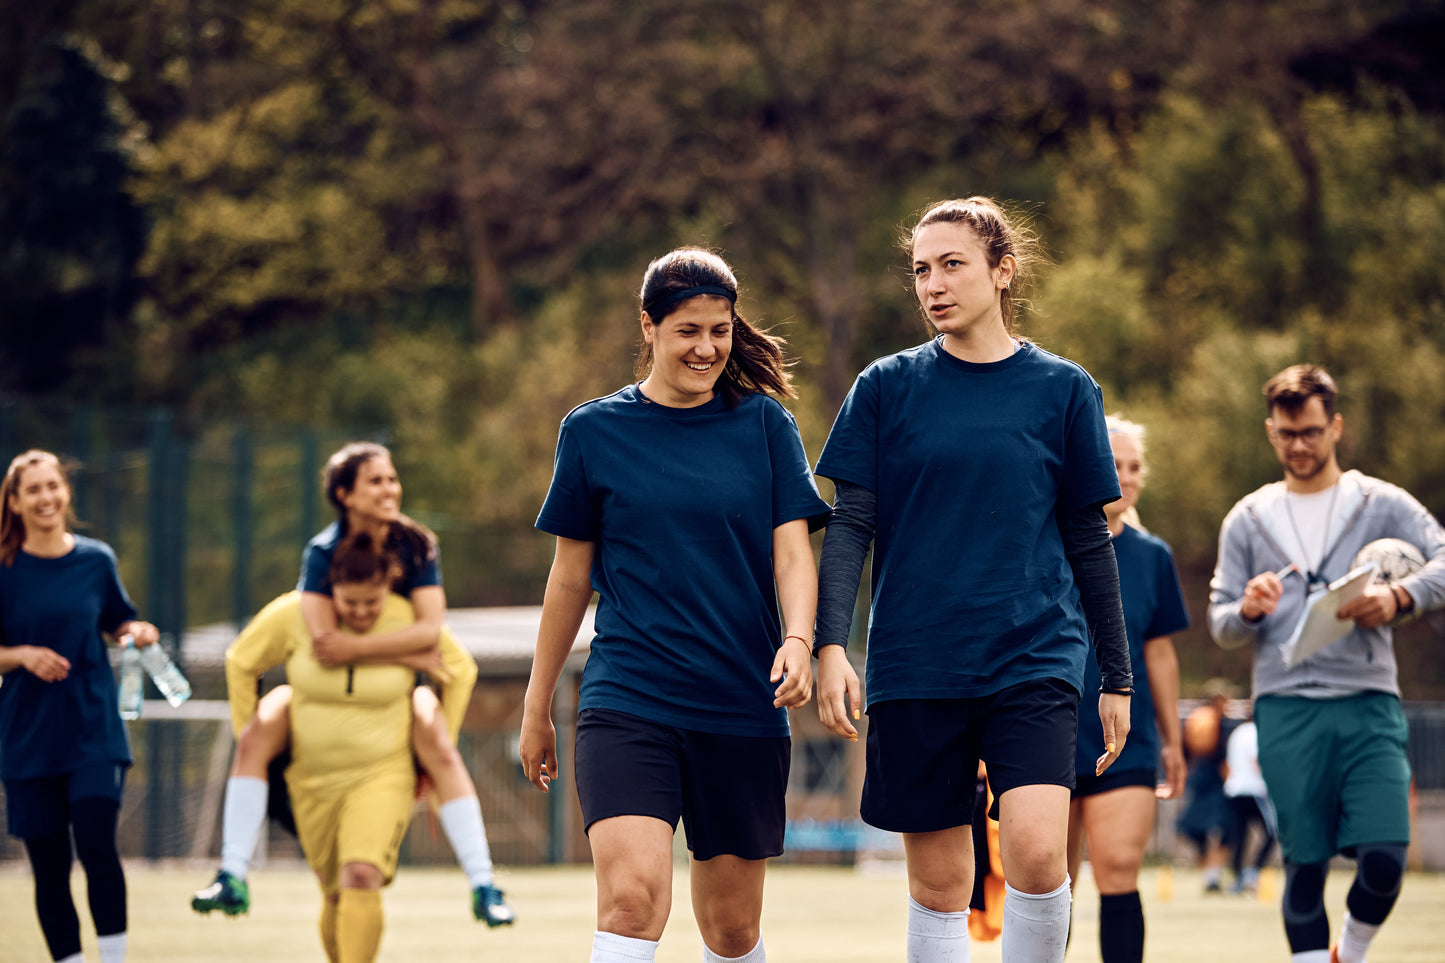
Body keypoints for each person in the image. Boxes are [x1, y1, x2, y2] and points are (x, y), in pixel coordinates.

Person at [813, 196, 1133, 963]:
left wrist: (1115, 674)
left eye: (952, 264)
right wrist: (829, 645)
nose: (933, 283)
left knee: (1037, 856)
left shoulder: (1063, 389)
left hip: (1033, 655)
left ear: (1002, 270)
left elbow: (1088, 538)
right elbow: (850, 524)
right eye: (920, 269)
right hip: (916, 661)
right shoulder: (884, 387)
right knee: (939, 884)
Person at [519, 247, 830, 963]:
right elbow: (568, 579)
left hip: (742, 701)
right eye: (688, 330)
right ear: (648, 326)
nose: (707, 348)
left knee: (732, 929)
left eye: (720, 330)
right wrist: (537, 706)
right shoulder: (592, 431)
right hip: (630, 697)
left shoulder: (765, 426)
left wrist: (798, 638)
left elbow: (792, 555)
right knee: (631, 903)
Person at [192, 442, 513, 926]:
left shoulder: (417, 544)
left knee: (435, 735)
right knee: (264, 722)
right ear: (344, 495)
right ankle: (231, 871)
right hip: (328, 699)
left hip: (394, 696)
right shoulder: (323, 552)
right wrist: (251, 739)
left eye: (392, 478)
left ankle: (483, 880)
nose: (390, 489)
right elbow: (326, 644)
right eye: (375, 481)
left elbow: (426, 633)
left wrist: (392, 662)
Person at [1208, 363, 1445, 963]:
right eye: (1287, 434)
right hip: (1285, 709)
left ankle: (1352, 951)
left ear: (1336, 427)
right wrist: (1248, 610)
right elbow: (1221, 622)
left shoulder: (1380, 503)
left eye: (1311, 432)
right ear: (1271, 431)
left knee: (1386, 859)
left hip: (1368, 701)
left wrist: (1399, 597)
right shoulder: (1248, 518)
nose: (1299, 446)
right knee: (1304, 865)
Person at [221, 533, 474, 962]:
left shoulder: (407, 617)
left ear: (388, 586)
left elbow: (461, 670)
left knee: (360, 874)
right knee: (334, 889)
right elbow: (240, 660)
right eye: (348, 602)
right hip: (310, 777)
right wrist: (252, 741)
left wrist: (431, 755)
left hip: (384, 772)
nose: (360, 612)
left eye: (371, 602)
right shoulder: (295, 612)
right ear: (329, 586)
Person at [0, 449, 161, 963]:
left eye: (53, 486)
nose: (45, 497)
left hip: (93, 729)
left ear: (65, 491)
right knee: (49, 865)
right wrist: (21, 656)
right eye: (33, 489)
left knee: (96, 842)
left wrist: (135, 631)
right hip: (27, 737)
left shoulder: (96, 560)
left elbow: (118, 622)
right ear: (14, 502)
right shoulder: (4, 567)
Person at [1065, 415, 1188, 962]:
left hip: (1126, 742)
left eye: (1135, 467)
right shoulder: (1048, 545)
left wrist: (1172, 740)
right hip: (1048, 731)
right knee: (1050, 881)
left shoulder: (1152, 556)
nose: (1128, 477)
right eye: (1115, 464)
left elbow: (1159, 655)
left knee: (1118, 868)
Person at [1176, 679, 1235, 894]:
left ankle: (1209, 870)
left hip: (1198, 779)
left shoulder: (1195, 718)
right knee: (1226, 829)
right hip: (1217, 782)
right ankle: (1212, 872)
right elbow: (1224, 755)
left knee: (1193, 827)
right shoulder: (1221, 721)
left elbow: (1185, 750)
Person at [1222, 708, 1277, 895]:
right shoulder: (1256, 733)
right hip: (1255, 790)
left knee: (1239, 837)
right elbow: (1257, 762)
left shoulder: (1237, 733)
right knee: (1272, 832)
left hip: (1234, 789)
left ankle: (1238, 878)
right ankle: (1252, 873)